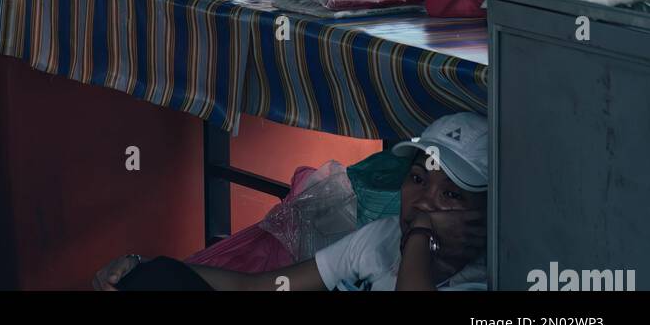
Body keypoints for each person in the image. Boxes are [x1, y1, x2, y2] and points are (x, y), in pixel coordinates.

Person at [95, 112, 488, 292]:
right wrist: (142, 269)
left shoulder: (480, 280)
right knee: (155, 281)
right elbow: (256, 288)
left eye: (451, 193)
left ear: (485, 213)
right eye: (417, 180)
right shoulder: (381, 241)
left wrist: (419, 235)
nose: (422, 202)